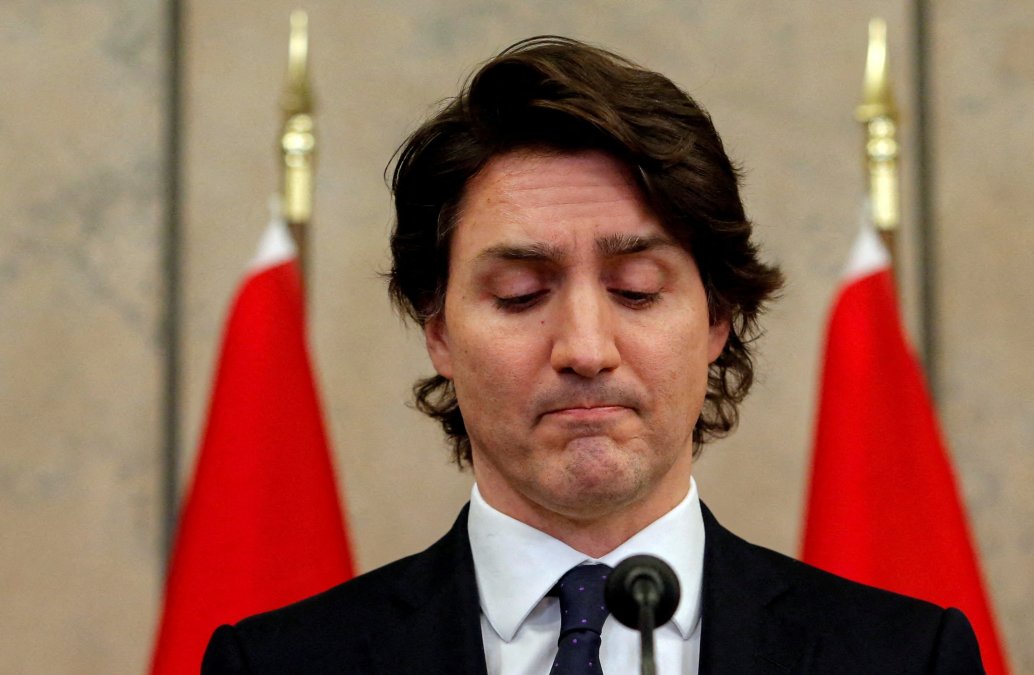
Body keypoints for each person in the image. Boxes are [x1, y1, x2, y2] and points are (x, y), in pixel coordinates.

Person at [202, 36, 984, 674]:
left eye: (637, 289)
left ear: (718, 316)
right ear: (436, 328)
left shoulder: (908, 658)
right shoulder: (274, 664)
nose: (584, 348)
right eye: (519, 294)